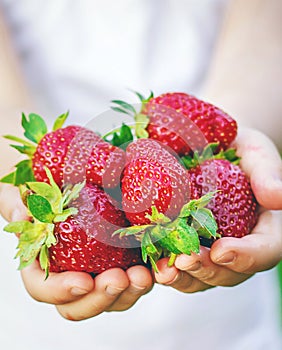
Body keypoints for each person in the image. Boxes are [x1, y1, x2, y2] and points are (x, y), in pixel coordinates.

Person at [0, 0, 281, 349]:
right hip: (38, 325)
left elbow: (264, 35)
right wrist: (15, 170)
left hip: (225, 312)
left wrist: (240, 128)